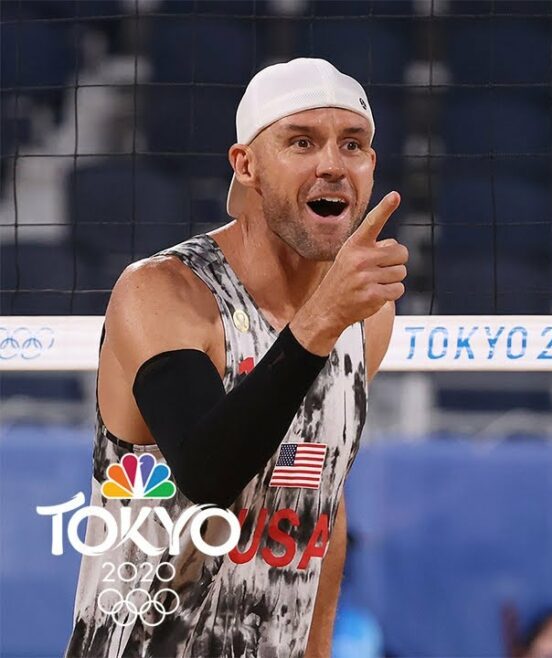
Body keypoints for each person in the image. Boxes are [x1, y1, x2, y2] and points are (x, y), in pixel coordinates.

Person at [66, 58, 408, 657]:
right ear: (246, 165)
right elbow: (206, 470)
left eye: (352, 145)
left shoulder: (368, 318)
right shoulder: (163, 292)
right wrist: (323, 318)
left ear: (371, 167)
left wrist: (318, 649)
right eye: (301, 141)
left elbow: (324, 504)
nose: (332, 163)